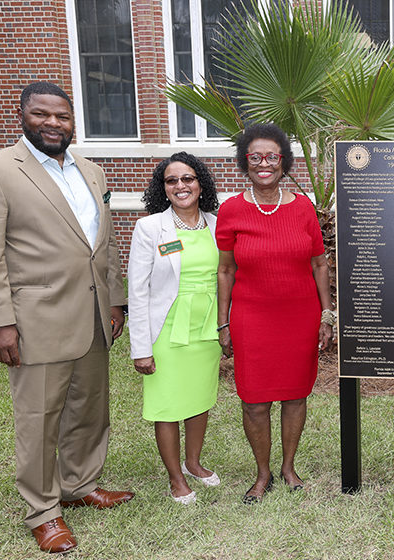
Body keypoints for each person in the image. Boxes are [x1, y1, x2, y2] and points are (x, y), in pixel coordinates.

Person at [0, 82, 133, 554]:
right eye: (42, 115)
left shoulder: (91, 171)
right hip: (35, 318)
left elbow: (105, 243)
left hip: (95, 315)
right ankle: (43, 511)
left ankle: (80, 484)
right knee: (38, 418)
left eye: (62, 116)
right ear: (23, 116)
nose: (53, 123)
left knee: (89, 409)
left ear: (72, 121)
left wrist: (116, 300)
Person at [216, 123, 334, 502]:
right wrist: (224, 322)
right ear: (244, 162)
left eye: (272, 156)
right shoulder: (232, 209)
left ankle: (288, 467)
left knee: (296, 395)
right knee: (254, 401)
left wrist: (326, 314)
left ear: (284, 162)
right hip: (252, 318)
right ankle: (263, 472)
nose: (263, 163)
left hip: (299, 317)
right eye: (255, 157)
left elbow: (319, 264)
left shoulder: (303, 209)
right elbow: (225, 270)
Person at [128, 152, 221, 505]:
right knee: (167, 404)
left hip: (206, 329)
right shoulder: (150, 228)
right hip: (166, 329)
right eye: (172, 181)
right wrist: (141, 348)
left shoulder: (216, 222)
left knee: (199, 399)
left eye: (188, 179)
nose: (181, 186)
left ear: (200, 184)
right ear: (162, 188)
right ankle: (176, 477)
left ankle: (194, 463)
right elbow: (137, 290)